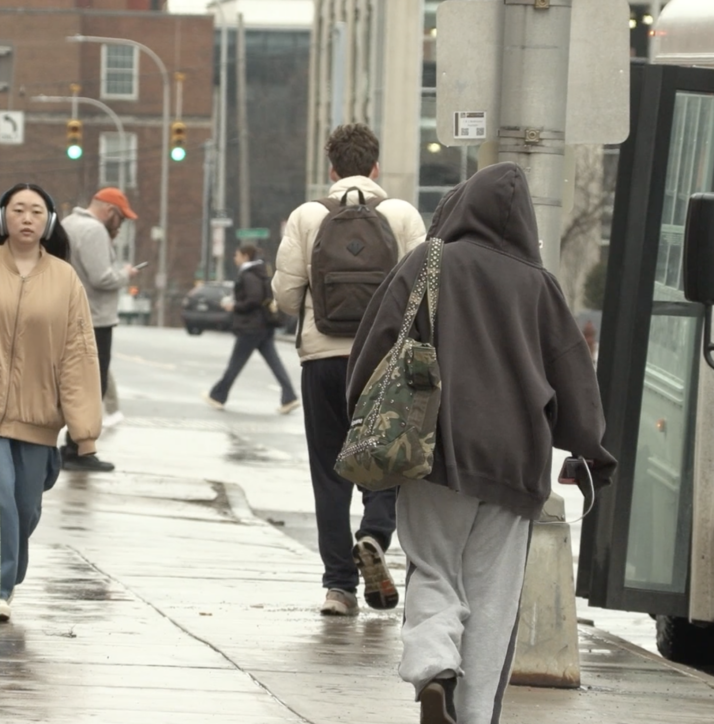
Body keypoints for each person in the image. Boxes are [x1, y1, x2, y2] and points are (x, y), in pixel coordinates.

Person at [346, 162, 616, 724]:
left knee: (434, 569)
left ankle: (434, 670)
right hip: (517, 467)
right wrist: (591, 451)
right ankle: (472, 717)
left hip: (437, 453)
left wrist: (359, 415)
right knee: (493, 604)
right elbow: (574, 377)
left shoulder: (431, 262)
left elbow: (377, 345)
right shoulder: (539, 285)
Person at [272, 123, 426, 616]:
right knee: (387, 461)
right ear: (376, 167)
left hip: (322, 361)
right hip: (383, 361)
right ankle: (375, 535)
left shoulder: (308, 216)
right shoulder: (401, 215)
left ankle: (338, 586)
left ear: (332, 169)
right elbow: (426, 288)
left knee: (328, 473)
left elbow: (285, 295)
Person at [0, 183, 102, 623]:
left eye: (36, 211)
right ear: (2, 217)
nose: (26, 218)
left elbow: (79, 353)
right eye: (18, 210)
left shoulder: (65, 279)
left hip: (39, 417)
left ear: (48, 222)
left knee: (25, 507)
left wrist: (84, 431)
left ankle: (8, 570)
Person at [60, 187, 140, 472]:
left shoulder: (69, 223)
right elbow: (102, 277)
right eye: (121, 218)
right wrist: (125, 275)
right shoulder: (94, 231)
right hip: (95, 318)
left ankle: (71, 446)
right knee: (94, 387)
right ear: (110, 211)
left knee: (76, 385)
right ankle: (79, 450)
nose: (121, 224)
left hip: (72, 314)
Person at [204, 244, 300, 413]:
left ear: (245, 256)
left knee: (235, 364)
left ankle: (218, 396)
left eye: (237, 255)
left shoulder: (249, 275)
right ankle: (289, 397)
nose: (235, 258)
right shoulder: (261, 272)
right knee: (274, 363)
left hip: (251, 327)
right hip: (263, 325)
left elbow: (253, 299)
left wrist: (235, 306)